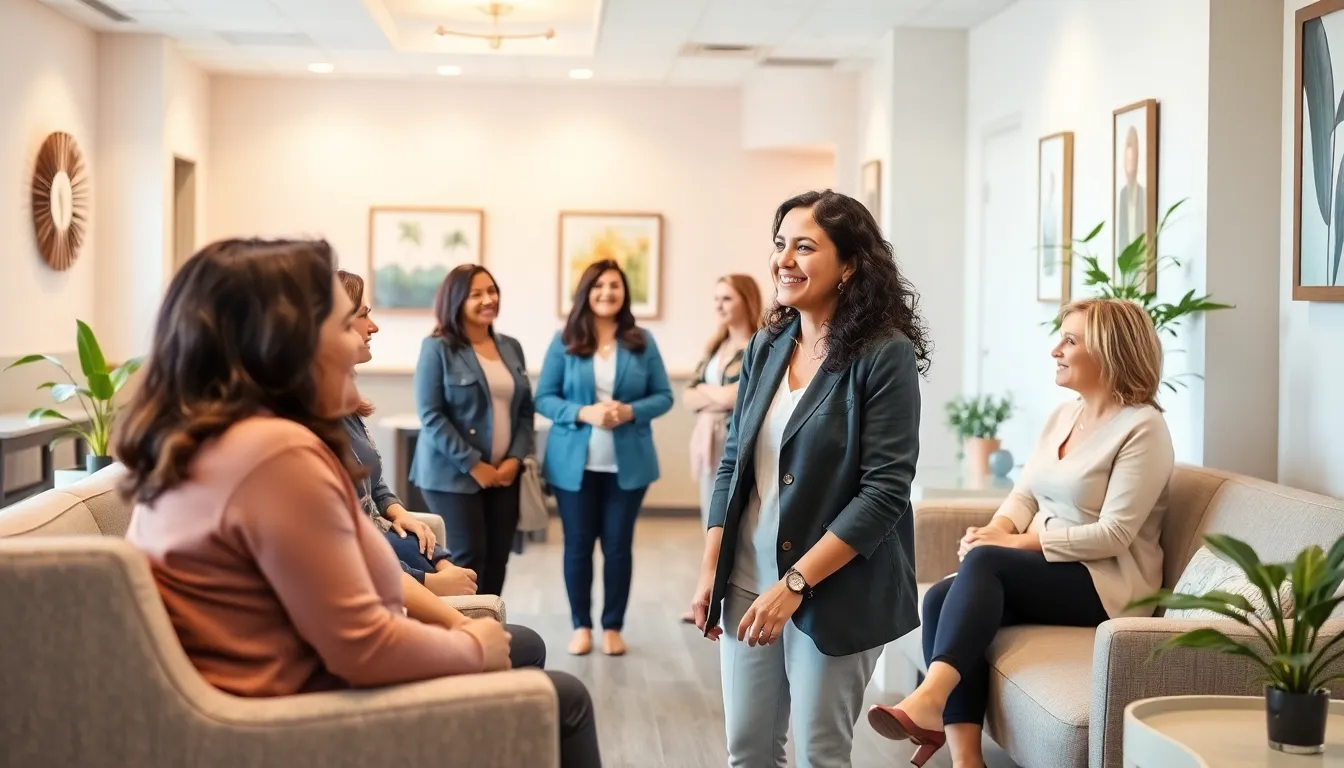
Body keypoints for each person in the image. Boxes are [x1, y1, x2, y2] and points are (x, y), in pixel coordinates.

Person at [117, 239, 600, 767]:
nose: (359, 339)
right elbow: (363, 649)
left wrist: (459, 626)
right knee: (565, 700)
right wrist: (472, 648)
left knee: (521, 650)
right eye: (344, 322)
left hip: (288, 698)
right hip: (297, 724)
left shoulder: (222, 439)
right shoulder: (273, 455)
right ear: (282, 341)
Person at [868, 297, 1174, 768]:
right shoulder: (1063, 416)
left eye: (1070, 340)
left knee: (988, 561)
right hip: (1051, 569)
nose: (1056, 349)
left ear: (1110, 351)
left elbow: (1114, 534)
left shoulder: (1144, 428)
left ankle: (931, 696)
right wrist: (993, 528)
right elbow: (1025, 494)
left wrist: (1011, 543)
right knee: (938, 599)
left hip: (1107, 584)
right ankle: (967, 759)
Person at [690, 190, 931, 768]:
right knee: (747, 751)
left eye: (805, 247)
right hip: (748, 579)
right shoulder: (768, 346)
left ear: (849, 265)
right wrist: (709, 570)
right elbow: (734, 468)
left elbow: (884, 494)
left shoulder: (883, 355)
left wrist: (795, 584)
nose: (784, 261)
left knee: (819, 755)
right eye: (780, 246)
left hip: (837, 588)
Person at [535, 259, 674, 657]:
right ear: (586, 292)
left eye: (614, 286)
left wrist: (629, 411)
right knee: (577, 545)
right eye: (598, 286)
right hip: (572, 465)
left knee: (617, 546)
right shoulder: (564, 339)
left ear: (623, 293)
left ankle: (612, 625)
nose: (607, 293)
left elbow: (664, 395)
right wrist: (584, 412)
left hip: (628, 465)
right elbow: (543, 397)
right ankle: (581, 625)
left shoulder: (641, 340)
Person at [334, 269, 476, 597]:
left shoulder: (347, 404)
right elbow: (347, 542)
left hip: (388, 553)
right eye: (364, 314)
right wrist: (429, 582)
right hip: (380, 572)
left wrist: (400, 513)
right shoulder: (309, 424)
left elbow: (373, 486)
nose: (374, 326)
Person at [411, 264, 534, 598]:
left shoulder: (511, 347)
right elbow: (431, 415)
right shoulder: (437, 347)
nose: (488, 299)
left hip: (505, 475)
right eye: (476, 293)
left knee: (498, 558)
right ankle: (462, 638)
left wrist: (515, 459)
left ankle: (489, 625)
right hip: (451, 475)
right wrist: (474, 465)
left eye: (492, 291)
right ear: (455, 299)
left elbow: (525, 412)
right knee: (467, 559)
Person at [679, 274, 763, 623]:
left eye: (727, 298)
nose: (720, 305)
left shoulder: (757, 346)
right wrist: (719, 397)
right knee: (710, 518)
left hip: (732, 443)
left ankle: (729, 595)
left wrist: (711, 396)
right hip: (706, 443)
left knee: (733, 519)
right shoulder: (715, 347)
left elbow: (739, 397)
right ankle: (708, 590)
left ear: (746, 300)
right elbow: (687, 395)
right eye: (717, 299)